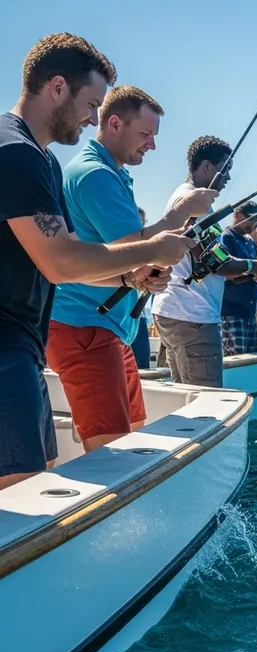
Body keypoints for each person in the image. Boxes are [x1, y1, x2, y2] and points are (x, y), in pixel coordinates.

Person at [0, 33, 191, 489]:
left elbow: (64, 257)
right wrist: (154, 248)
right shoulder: (15, 153)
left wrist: (131, 277)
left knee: (39, 484)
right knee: (26, 500)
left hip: (23, 345)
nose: (93, 118)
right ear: (58, 87)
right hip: (5, 346)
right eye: (91, 104)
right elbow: (61, 261)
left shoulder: (43, 161)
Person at [45, 85, 217, 453]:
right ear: (114, 123)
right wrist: (180, 214)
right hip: (85, 329)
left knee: (135, 434)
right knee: (111, 451)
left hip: (110, 328)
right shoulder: (94, 174)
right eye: (145, 134)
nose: (151, 146)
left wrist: (142, 274)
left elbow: (130, 252)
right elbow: (132, 247)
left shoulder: (112, 172)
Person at [152, 141, 257, 384]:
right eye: (226, 169)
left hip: (174, 310)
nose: (229, 177)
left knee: (184, 398)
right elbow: (214, 262)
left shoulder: (181, 196)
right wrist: (255, 267)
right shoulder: (194, 203)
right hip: (192, 316)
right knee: (205, 403)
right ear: (207, 166)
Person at [219, 201, 257, 356]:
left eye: (256, 220)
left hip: (250, 314)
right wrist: (256, 269)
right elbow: (223, 271)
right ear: (237, 215)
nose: (253, 224)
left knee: (251, 359)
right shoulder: (226, 238)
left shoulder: (250, 243)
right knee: (236, 360)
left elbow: (256, 275)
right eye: (251, 219)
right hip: (230, 312)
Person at [132, 206, 154, 369]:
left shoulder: (147, 249)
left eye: (142, 222)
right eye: (136, 221)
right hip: (118, 318)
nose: (140, 226)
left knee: (142, 364)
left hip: (139, 317)